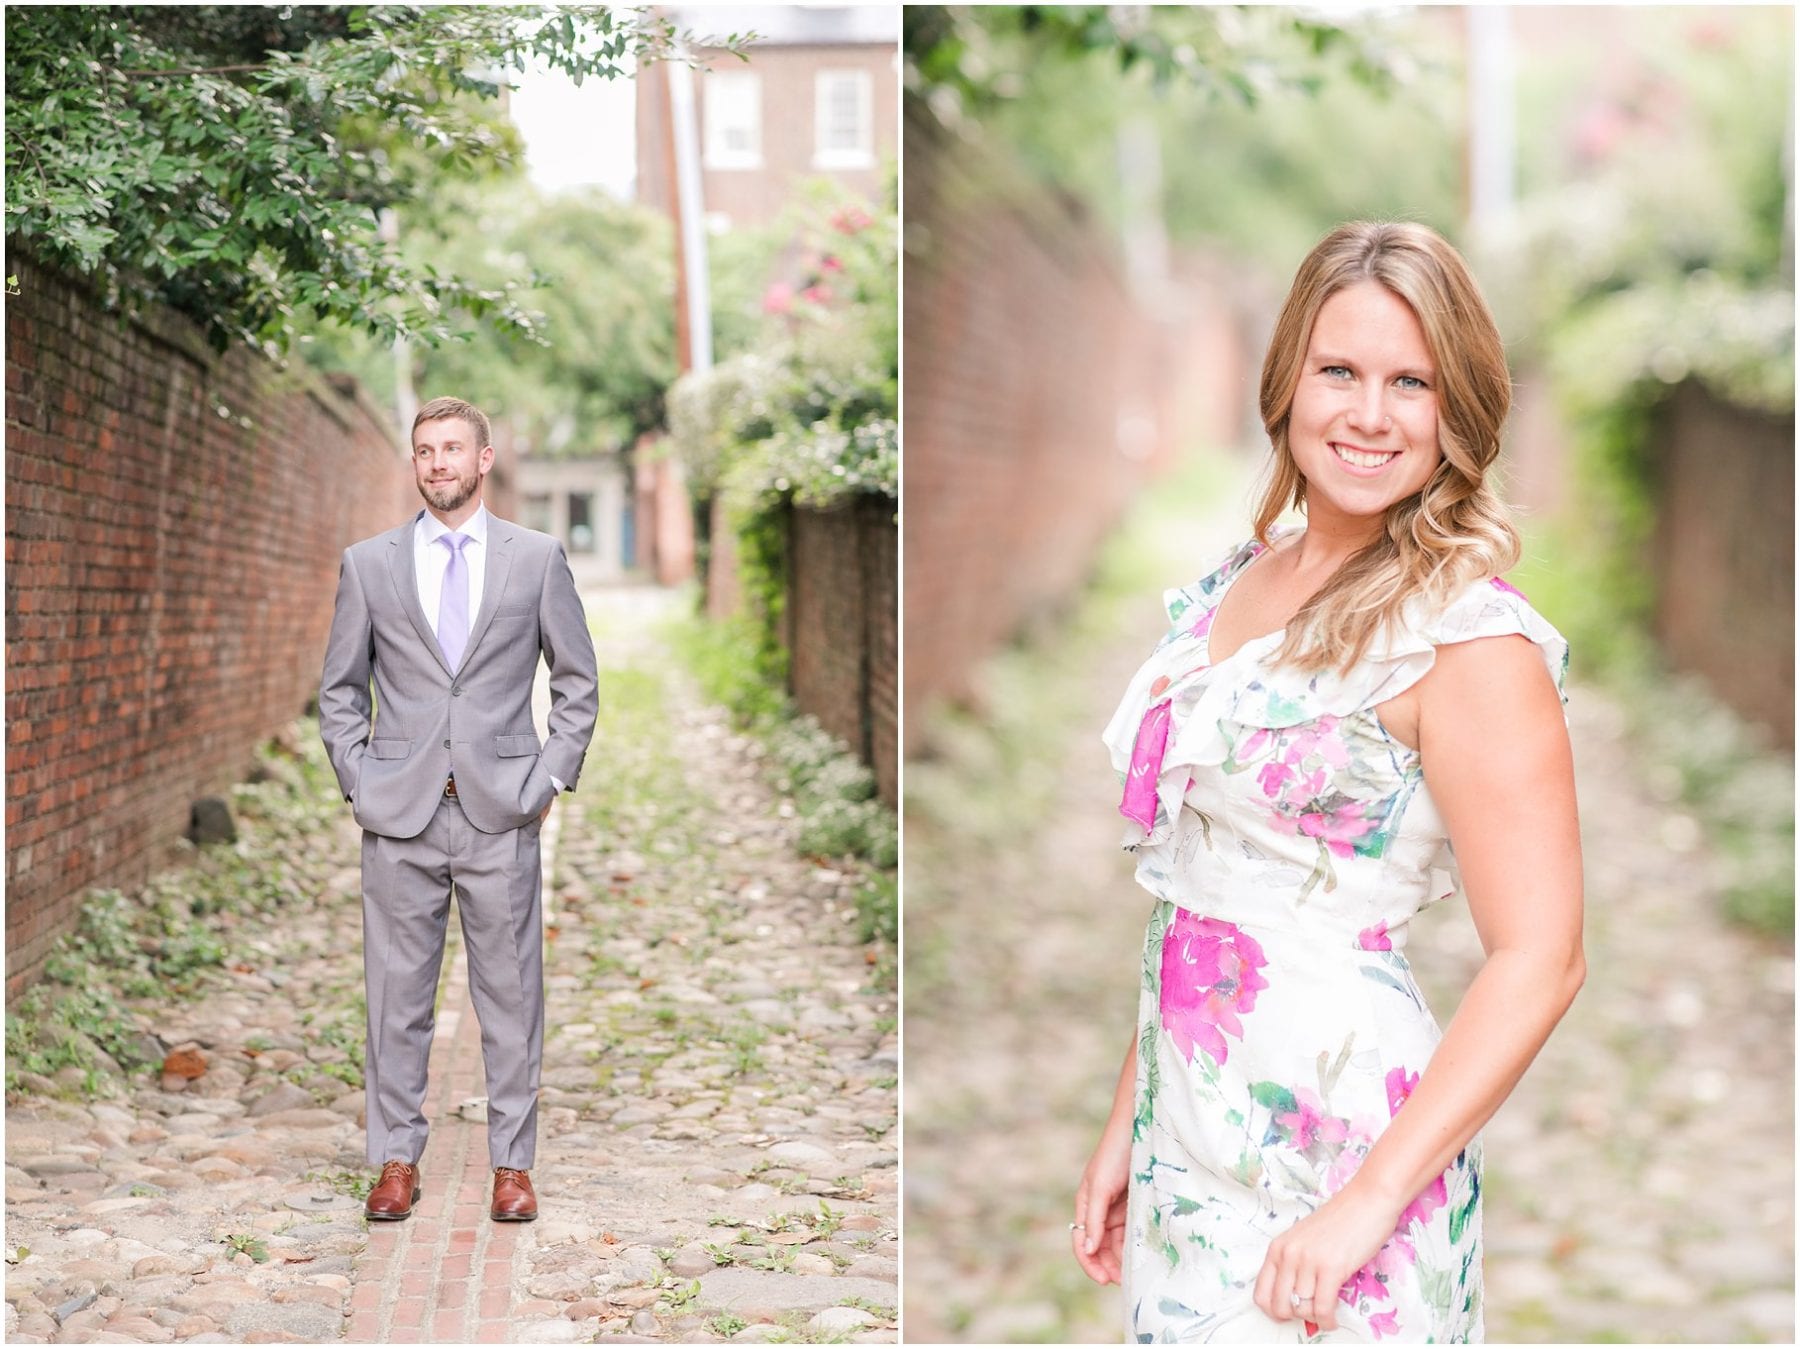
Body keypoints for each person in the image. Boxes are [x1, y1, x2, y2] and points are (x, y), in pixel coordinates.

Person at [1075, 221, 1585, 1341]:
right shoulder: (1237, 586)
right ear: (1286, 381)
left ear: (1459, 411)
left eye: (1413, 381)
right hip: (1188, 1130)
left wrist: (1366, 1204)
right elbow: (1203, 882)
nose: (1369, 413)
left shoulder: (1465, 642)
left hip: (1350, 1151)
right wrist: (1131, 1114)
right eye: (1339, 370)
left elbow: (1542, 957)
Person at [319, 396, 598, 1223]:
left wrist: (545, 780)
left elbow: (577, 683)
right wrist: (360, 780)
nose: (437, 462)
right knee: (395, 997)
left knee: (510, 998)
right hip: (397, 814)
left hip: (499, 812)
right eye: (425, 450)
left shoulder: (536, 558)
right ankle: (395, 1159)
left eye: (452, 449)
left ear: (483, 460)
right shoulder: (369, 564)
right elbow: (339, 693)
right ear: (416, 463)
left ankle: (513, 1165)